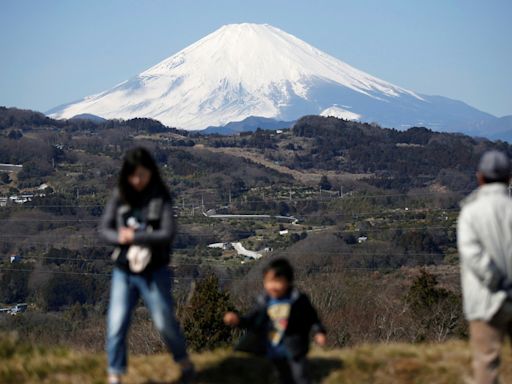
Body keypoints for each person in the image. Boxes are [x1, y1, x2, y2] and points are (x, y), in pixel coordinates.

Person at [99, 147, 194, 384]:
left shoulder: (160, 196)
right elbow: (104, 229)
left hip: (154, 271)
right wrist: (120, 238)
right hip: (124, 270)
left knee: (164, 322)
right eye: (133, 175)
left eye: (142, 174)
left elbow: (168, 233)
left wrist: (135, 237)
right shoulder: (119, 195)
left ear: (151, 172)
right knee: (116, 323)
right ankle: (115, 375)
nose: (137, 180)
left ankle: (184, 362)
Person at [224, 258, 327, 384]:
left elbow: (312, 318)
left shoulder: (298, 300)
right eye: (268, 282)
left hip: (294, 350)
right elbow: (252, 320)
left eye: (277, 282)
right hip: (269, 349)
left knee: (300, 377)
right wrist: (238, 320)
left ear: (288, 282)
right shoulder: (263, 301)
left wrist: (319, 332)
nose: (272, 286)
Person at [457, 150, 512, 384]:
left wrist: (495, 280)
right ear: (509, 178)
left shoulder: (470, 211)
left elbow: (471, 253)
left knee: (486, 363)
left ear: (480, 178)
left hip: (484, 300)